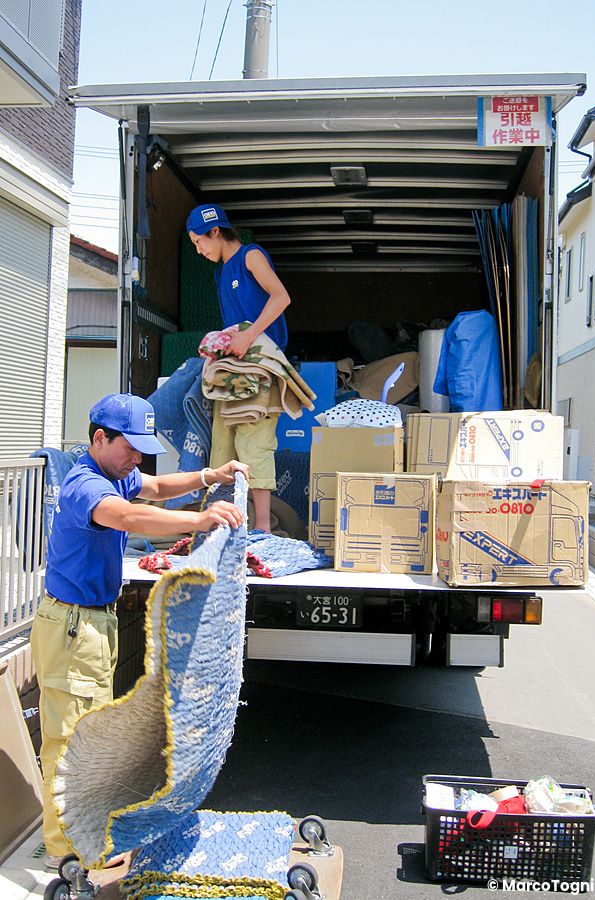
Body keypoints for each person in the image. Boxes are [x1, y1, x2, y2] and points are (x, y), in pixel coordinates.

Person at [30, 392, 248, 869]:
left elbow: (157, 486)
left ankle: (82, 833)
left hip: (91, 623)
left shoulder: (117, 474)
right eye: (130, 447)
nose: (137, 458)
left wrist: (210, 476)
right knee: (69, 741)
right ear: (99, 438)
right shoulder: (85, 486)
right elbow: (128, 516)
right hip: (72, 628)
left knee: (89, 735)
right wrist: (199, 519)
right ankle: (66, 851)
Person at [187, 202, 291, 532]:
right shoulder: (221, 273)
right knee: (223, 443)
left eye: (199, 241)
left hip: (263, 363)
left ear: (215, 231)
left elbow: (281, 297)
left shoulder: (250, 256)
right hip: (235, 367)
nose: (199, 250)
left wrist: (249, 335)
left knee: (254, 444)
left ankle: (262, 530)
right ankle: (226, 525)